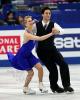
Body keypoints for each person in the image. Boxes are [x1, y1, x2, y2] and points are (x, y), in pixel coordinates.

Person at [7, 16, 58, 94]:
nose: (30, 22)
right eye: (28, 21)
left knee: (40, 68)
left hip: (29, 54)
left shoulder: (33, 29)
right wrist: (51, 33)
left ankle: (41, 85)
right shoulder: (27, 34)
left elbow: (40, 25)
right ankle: (25, 88)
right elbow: (40, 38)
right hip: (22, 56)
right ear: (25, 24)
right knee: (31, 73)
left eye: (31, 21)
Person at [36, 7, 74, 93]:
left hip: (52, 49)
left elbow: (62, 31)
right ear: (42, 14)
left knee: (64, 64)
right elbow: (30, 32)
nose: (48, 15)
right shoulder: (37, 25)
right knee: (53, 69)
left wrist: (58, 31)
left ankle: (67, 86)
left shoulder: (53, 24)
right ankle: (54, 87)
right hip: (42, 52)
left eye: (49, 13)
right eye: (46, 13)